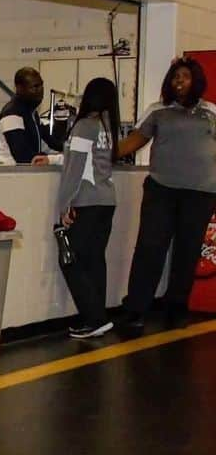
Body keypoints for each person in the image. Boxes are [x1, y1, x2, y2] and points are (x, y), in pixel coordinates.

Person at [117, 56, 216, 329]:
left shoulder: (211, 111)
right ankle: (135, 309)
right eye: (175, 77)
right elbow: (134, 141)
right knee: (150, 248)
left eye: (184, 76)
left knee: (187, 251)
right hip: (162, 189)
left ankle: (176, 307)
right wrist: (100, 152)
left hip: (201, 192)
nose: (179, 81)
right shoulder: (157, 110)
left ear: (196, 81)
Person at [52, 76, 120, 339]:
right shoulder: (106, 126)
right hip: (106, 200)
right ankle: (94, 318)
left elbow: (75, 169)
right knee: (94, 261)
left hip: (87, 201)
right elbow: (83, 158)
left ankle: (95, 318)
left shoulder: (84, 126)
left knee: (69, 258)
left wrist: (63, 205)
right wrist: (51, 158)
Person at [0, 67, 61, 165]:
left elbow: (51, 142)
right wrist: (52, 159)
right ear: (19, 88)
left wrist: (68, 150)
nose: (40, 90)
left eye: (41, 85)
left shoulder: (31, 113)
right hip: (12, 173)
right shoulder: (12, 114)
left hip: (25, 172)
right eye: (34, 87)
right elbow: (22, 156)